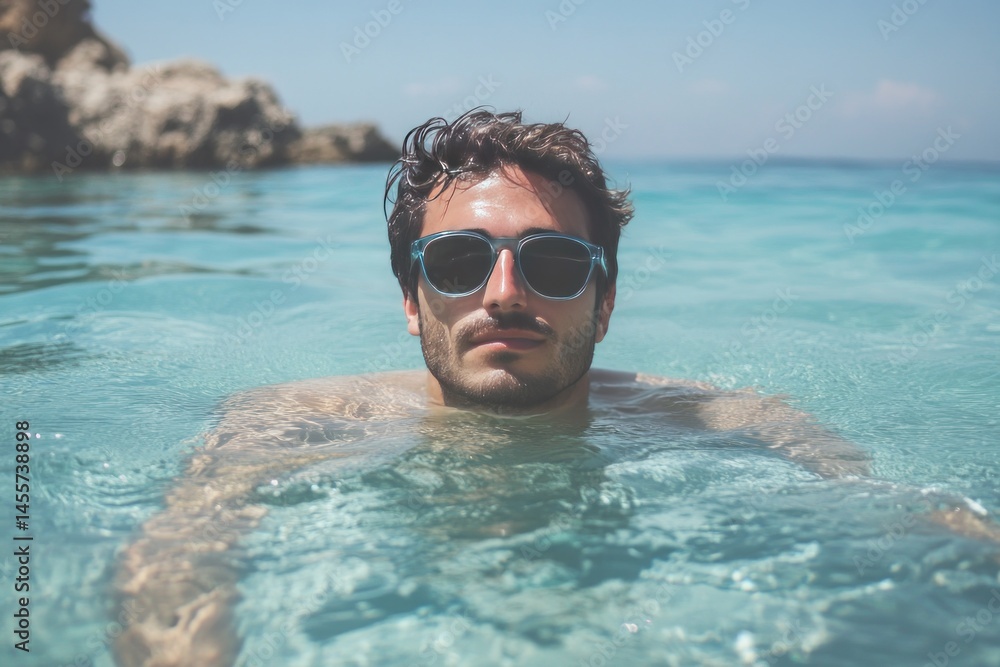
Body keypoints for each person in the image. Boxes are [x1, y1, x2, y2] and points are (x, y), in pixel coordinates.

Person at [111, 109, 997, 667]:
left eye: (554, 262)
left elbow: (919, 519)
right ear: (411, 303)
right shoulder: (291, 420)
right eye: (458, 261)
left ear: (603, 302)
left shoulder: (728, 420)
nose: (504, 294)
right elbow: (177, 566)